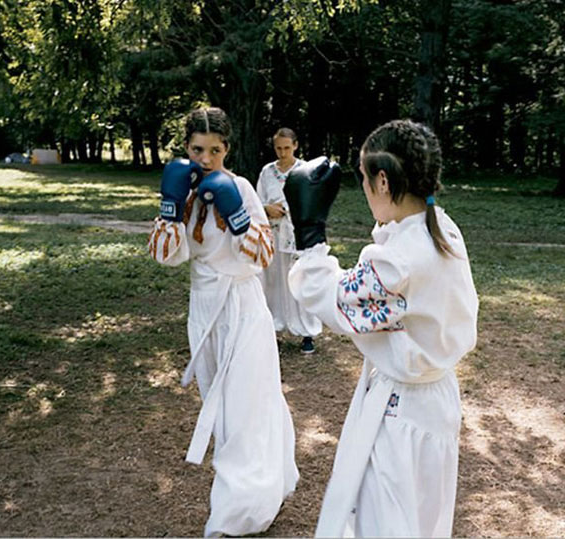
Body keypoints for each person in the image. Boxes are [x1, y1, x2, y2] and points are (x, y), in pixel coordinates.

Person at [286, 119, 479, 537]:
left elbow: (335, 300)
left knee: (383, 526)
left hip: (401, 412)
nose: (363, 188)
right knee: (421, 523)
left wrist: (310, 236)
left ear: (384, 181)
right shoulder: (442, 229)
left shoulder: (398, 262)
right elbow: (392, 250)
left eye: (364, 178)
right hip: (436, 402)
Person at [147, 107, 299, 537]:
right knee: (223, 412)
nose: (206, 159)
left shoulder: (242, 187)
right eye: (198, 150)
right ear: (187, 148)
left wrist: (237, 218)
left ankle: (240, 510)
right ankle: (255, 490)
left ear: (226, 149)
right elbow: (165, 256)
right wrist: (171, 208)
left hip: (243, 305)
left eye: (215, 150)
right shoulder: (183, 188)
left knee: (248, 404)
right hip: (204, 309)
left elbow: (264, 256)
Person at [256, 128, 322, 354]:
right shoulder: (267, 171)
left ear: (295, 145)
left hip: (298, 234)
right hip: (274, 233)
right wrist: (267, 208)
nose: (283, 153)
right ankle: (273, 326)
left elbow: (314, 202)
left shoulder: (306, 170)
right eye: (278, 148)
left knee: (299, 279)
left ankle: (306, 330)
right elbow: (257, 201)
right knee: (273, 279)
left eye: (286, 148)